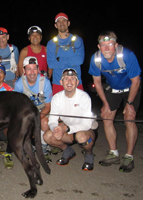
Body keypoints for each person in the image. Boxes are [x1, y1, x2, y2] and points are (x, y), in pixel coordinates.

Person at [88, 31, 141, 172]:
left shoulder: (127, 55)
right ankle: (113, 153)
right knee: (106, 116)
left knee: (129, 118)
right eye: (103, 45)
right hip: (113, 88)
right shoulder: (96, 59)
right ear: (99, 47)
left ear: (116, 45)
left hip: (131, 88)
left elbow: (136, 81)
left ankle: (129, 156)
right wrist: (105, 103)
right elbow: (97, 83)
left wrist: (129, 104)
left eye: (110, 44)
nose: (106, 48)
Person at [43, 68, 96, 171]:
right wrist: (56, 129)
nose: (69, 82)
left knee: (82, 138)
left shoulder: (84, 97)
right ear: (61, 82)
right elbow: (52, 120)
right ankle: (68, 151)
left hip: (85, 131)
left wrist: (66, 128)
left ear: (77, 82)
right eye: (66, 79)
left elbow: (86, 124)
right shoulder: (57, 98)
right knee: (48, 136)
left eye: (73, 79)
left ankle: (89, 154)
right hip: (67, 131)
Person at [14, 56, 53, 162]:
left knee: (44, 123)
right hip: (27, 111)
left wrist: (36, 118)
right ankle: (28, 146)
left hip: (42, 109)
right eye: (28, 68)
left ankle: (44, 149)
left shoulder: (45, 82)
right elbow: (17, 107)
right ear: (24, 70)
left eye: (34, 68)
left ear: (38, 69)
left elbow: (48, 106)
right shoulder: (19, 84)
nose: (32, 72)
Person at [47, 12, 84, 95]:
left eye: (64, 20)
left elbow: (79, 60)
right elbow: (51, 64)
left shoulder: (77, 40)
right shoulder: (51, 43)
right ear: (55, 25)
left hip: (76, 82)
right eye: (59, 21)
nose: (62, 23)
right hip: (58, 82)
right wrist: (71, 60)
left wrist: (59, 59)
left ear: (68, 23)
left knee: (78, 107)